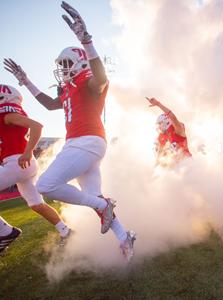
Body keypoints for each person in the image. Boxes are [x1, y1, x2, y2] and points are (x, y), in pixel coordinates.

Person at [4, 2, 135, 261]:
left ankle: (103, 205)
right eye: (61, 64)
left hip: (85, 142)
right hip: (85, 144)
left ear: (79, 62)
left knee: (46, 186)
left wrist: (87, 41)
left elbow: (101, 77)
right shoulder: (69, 88)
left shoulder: (88, 81)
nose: (63, 68)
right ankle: (124, 237)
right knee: (95, 196)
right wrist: (26, 81)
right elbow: (48, 104)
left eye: (66, 63)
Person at [0, 84, 71, 243]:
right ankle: (65, 231)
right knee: (36, 204)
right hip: (23, 165)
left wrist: (27, 152)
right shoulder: (10, 115)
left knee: (36, 204)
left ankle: (5, 232)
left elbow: (37, 126)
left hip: (17, 163)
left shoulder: (7, 114)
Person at [147, 97, 191, 167]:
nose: (159, 127)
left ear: (166, 122)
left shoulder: (178, 129)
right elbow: (159, 158)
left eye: (160, 124)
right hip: (177, 169)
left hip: (188, 164)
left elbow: (172, 117)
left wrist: (158, 104)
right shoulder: (162, 136)